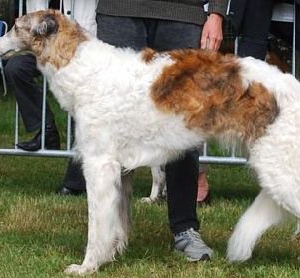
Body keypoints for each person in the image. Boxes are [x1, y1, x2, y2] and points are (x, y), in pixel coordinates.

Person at [95, 0, 228, 261]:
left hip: (183, 13)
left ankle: (185, 228)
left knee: (183, 124)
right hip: (119, 10)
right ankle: (109, 233)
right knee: (114, 123)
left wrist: (217, 13)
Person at [5, 0, 96, 194]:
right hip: (40, 49)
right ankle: (46, 130)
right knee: (16, 68)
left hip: (80, 48)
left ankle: (75, 182)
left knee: (82, 101)